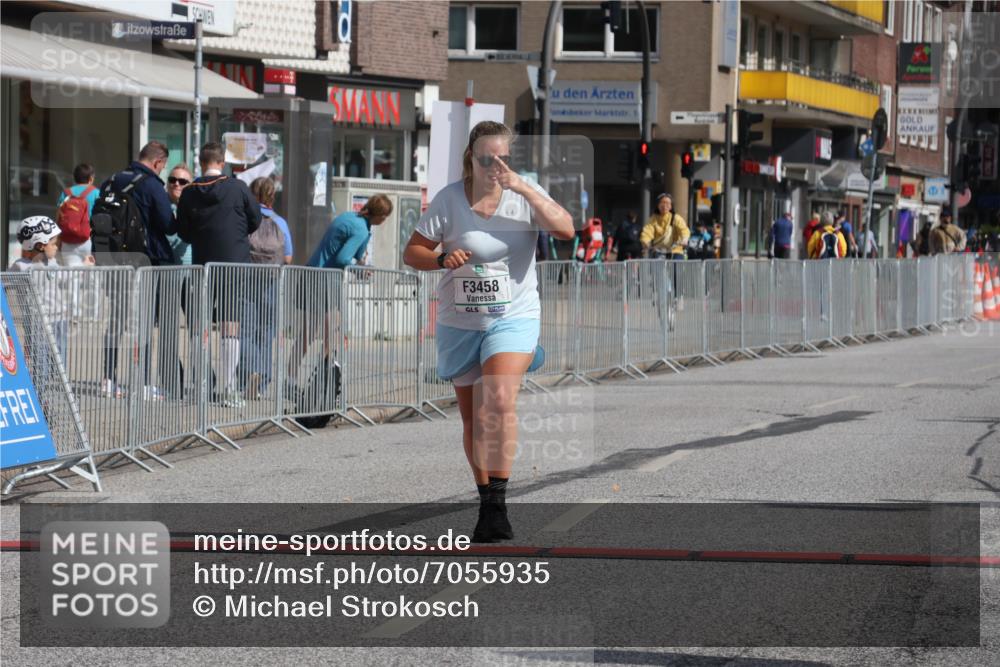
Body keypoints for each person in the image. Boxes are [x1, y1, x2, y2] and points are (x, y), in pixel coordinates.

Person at [402, 120, 574, 542]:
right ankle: (486, 498)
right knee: (472, 418)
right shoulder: (448, 200)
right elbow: (413, 252)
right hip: (460, 320)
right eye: (486, 158)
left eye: (502, 158)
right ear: (471, 160)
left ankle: (498, 501)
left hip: (513, 316)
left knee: (496, 399)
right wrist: (441, 259)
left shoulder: (523, 193)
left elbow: (567, 230)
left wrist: (526, 189)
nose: (495, 166)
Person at [177, 142, 263, 408]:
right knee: (230, 326)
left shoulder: (190, 192)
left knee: (200, 326)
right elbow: (256, 219)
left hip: (204, 263)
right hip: (234, 264)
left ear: (201, 163)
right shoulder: (237, 188)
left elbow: (183, 230)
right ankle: (227, 389)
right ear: (222, 161)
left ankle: (200, 384)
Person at [96, 141, 177, 400]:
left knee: (116, 320)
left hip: (112, 260)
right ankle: (141, 383)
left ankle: (108, 379)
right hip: (144, 261)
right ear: (157, 162)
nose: (162, 171)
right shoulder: (152, 185)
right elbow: (168, 225)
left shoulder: (111, 180)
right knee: (143, 323)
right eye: (163, 166)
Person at [239, 177, 293, 400]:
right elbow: (288, 258)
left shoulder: (246, 220)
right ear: (273, 196)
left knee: (246, 330)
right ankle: (262, 381)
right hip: (271, 282)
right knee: (266, 331)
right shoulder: (280, 223)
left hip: (247, 280)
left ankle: (247, 375)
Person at [10, 216, 86, 366]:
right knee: (40, 359)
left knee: (59, 360)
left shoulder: (52, 262)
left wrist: (83, 267)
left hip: (59, 318)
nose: (57, 247)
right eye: (53, 244)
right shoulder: (21, 266)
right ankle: (40, 388)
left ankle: (55, 387)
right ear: (39, 245)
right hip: (35, 320)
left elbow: (63, 278)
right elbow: (5, 283)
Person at [307, 194, 392, 269]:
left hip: (310, 270)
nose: (384, 220)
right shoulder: (361, 230)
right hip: (325, 278)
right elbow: (342, 259)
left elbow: (357, 255)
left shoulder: (348, 216)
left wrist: (361, 263)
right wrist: (360, 271)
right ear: (379, 215)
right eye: (384, 217)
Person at [55, 163, 100, 267]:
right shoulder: (96, 193)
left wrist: (58, 238)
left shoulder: (66, 193)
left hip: (68, 240)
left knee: (72, 276)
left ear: (75, 178)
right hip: (88, 239)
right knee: (91, 277)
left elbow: (58, 216)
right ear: (91, 178)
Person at [641, 193, 689, 259]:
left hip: (675, 250)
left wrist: (684, 239)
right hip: (659, 250)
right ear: (658, 205)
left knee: (676, 267)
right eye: (662, 202)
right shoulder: (653, 219)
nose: (664, 205)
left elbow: (683, 229)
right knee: (657, 268)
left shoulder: (676, 218)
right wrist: (645, 242)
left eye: (667, 203)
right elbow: (647, 231)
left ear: (671, 206)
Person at [164, 164, 194, 265]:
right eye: (172, 180)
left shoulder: (196, 208)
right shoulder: (159, 206)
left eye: (182, 182)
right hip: (163, 270)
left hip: (190, 270)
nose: (176, 184)